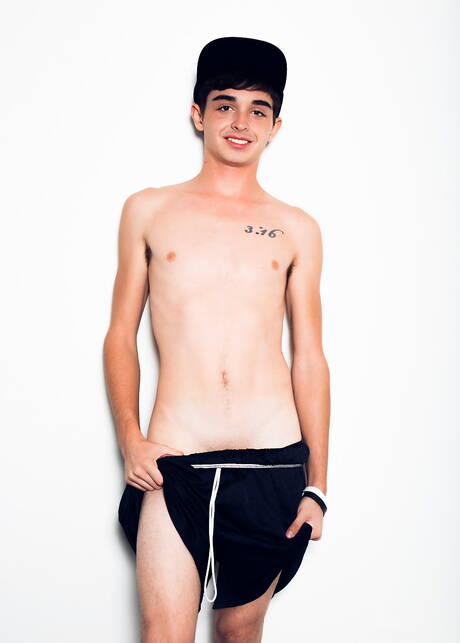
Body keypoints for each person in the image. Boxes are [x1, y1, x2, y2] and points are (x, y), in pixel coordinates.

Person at [103, 36, 330, 643]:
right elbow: (120, 335)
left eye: (258, 110)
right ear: (198, 113)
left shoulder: (296, 228)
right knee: (163, 634)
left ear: (275, 127)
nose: (240, 122)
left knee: (238, 631)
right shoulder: (149, 210)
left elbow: (310, 358)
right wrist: (130, 439)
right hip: (174, 461)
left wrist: (318, 484)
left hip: (272, 460)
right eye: (225, 104)